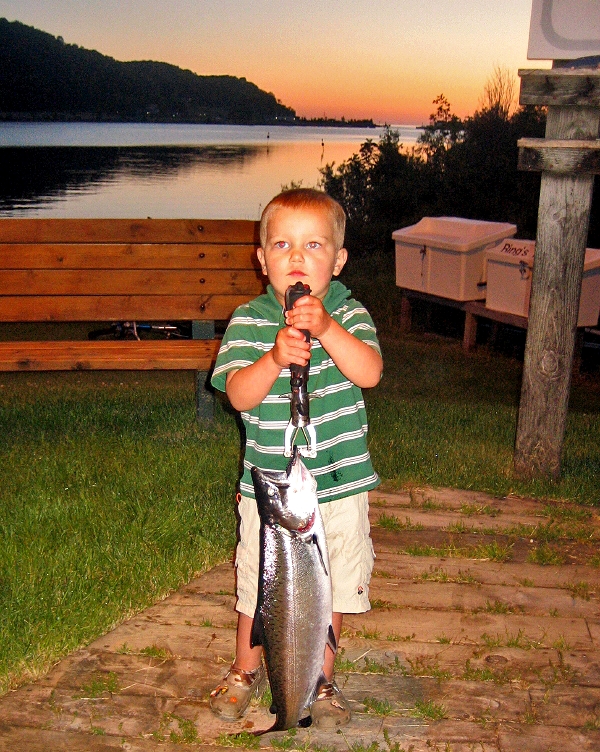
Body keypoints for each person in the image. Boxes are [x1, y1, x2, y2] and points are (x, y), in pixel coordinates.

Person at [208, 188, 383, 728]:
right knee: (256, 588)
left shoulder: (349, 312)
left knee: (328, 591)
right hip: (270, 492)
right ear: (262, 259)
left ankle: (321, 678)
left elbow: (370, 373)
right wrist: (273, 356)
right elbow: (237, 395)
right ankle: (245, 668)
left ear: (338, 259)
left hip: (339, 486)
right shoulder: (249, 319)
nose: (298, 258)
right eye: (282, 245)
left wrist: (327, 328)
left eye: (313, 245)